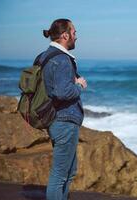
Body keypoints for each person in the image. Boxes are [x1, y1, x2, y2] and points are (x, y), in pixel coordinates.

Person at [40, 18, 86, 200]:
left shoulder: (47, 56)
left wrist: (71, 81)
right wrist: (79, 85)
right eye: (74, 32)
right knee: (60, 175)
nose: (76, 36)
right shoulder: (61, 59)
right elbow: (62, 92)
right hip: (64, 121)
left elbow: (54, 86)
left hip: (58, 119)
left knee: (70, 171)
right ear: (65, 35)